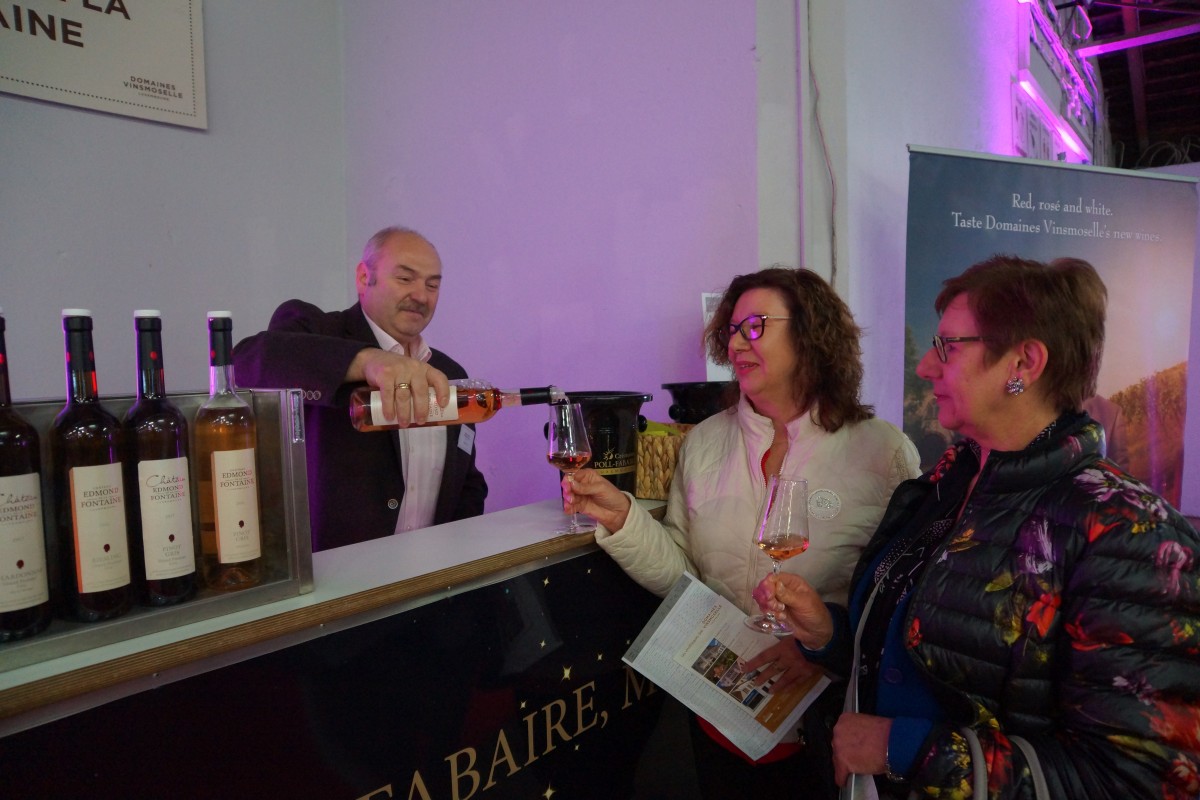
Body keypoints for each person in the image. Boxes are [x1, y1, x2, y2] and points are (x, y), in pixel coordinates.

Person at [756, 254, 1200, 798]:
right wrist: (826, 634)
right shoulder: (942, 490)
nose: (926, 366)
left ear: (1024, 363)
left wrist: (903, 748)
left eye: (948, 346)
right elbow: (914, 663)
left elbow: (1141, 780)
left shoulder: (1131, 534)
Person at [563, 267, 921, 797]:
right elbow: (684, 575)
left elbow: (902, 604)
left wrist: (824, 644)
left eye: (755, 326)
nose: (735, 343)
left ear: (810, 333)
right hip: (721, 716)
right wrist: (623, 518)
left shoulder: (883, 452)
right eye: (730, 329)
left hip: (828, 726)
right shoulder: (704, 442)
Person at [234, 227, 487, 551]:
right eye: (405, 278)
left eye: (432, 285)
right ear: (364, 277)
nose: (421, 296)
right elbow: (246, 363)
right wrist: (366, 360)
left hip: (431, 572)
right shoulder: (318, 331)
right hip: (335, 572)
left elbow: (465, 481)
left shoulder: (448, 373)